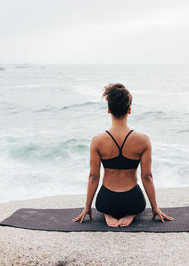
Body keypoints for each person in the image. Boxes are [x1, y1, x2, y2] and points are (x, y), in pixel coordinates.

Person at [72, 83, 174, 227]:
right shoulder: (143, 140)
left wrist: (87, 207)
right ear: (130, 110)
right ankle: (130, 214)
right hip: (133, 201)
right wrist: (155, 208)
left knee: (106, 206)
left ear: (108, 110)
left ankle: (108, 214)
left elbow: (93, 176)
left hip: (106, 201)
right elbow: (147, 176)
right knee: (134, 205)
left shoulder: (97, 141)